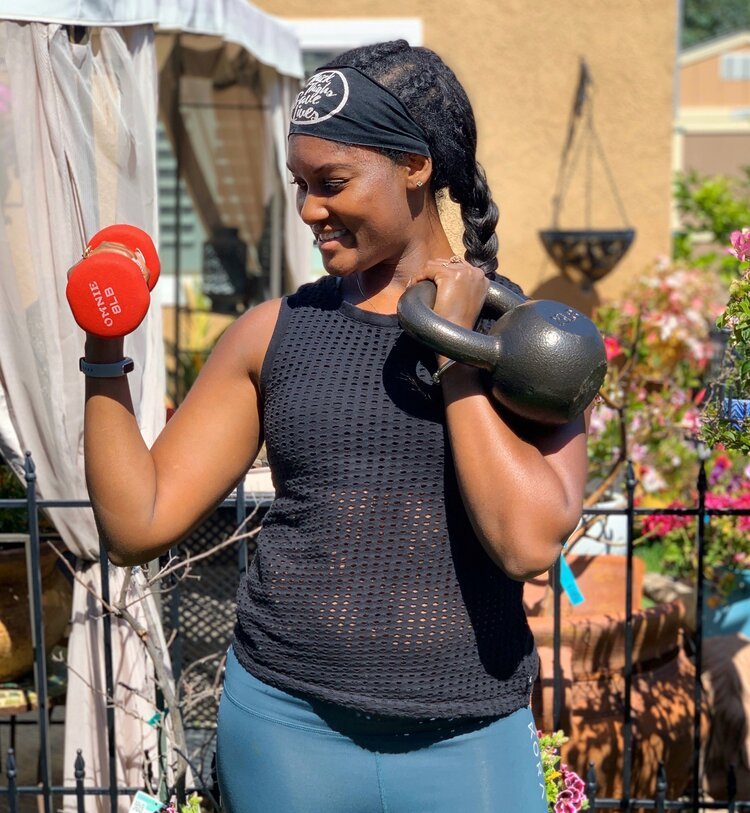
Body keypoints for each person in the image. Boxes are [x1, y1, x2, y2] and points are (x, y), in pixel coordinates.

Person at [75, 40, 590, 813]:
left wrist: (452, 354)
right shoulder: (271, 333)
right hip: (286, 730)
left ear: (417, 166)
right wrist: (104, 345)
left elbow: (527, 541)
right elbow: (137, 520)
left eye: (333, 182)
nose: (310, 208)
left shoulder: (532, 341)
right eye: (299, 184)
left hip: (467, 740)